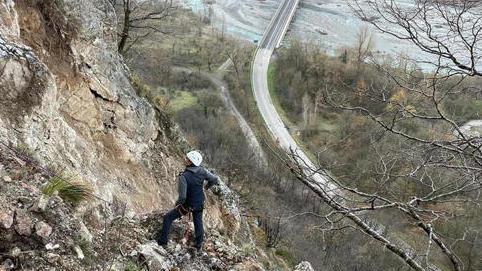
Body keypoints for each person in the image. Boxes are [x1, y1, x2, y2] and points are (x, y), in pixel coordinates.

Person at [157, 150, 219, 250]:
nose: (185, 159)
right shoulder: (202, 171)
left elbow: (182, 197)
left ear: (190, 162)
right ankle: (198, 245)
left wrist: (177, 205)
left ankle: (162, 241)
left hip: (188, 205)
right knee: (198, 222)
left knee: (167, 218)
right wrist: (206, 188)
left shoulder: (184, 177)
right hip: (199, 202)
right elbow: (214, 179)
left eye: (187, 158)